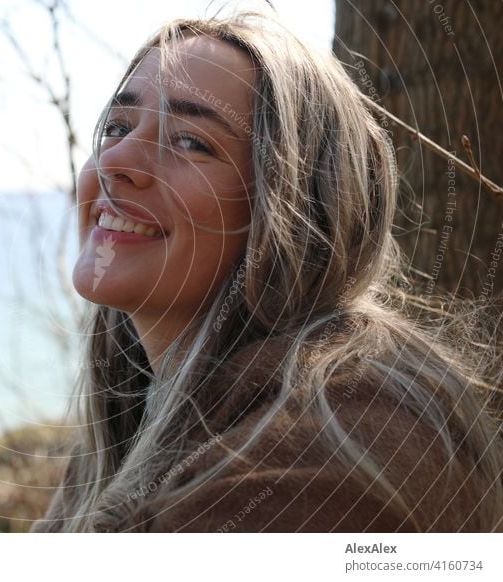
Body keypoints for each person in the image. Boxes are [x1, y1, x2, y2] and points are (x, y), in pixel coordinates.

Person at [32, 11, 503, 532]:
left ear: (297, 208)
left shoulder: (336, 438)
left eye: (190, 142)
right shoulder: (130, 421)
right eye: (118, 127)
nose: (117, 158)